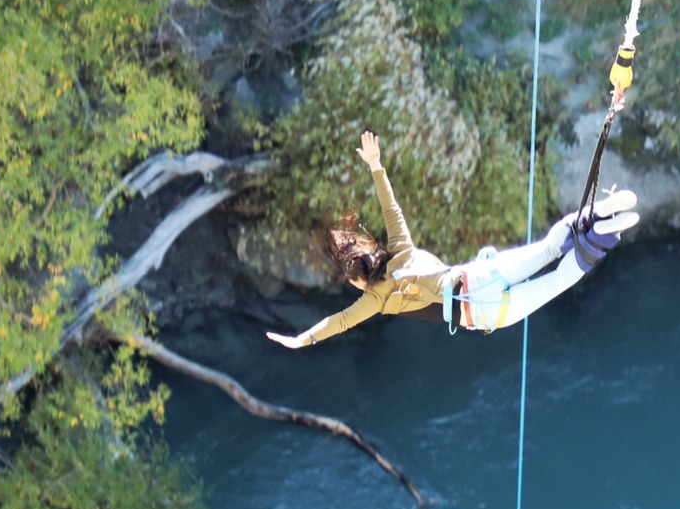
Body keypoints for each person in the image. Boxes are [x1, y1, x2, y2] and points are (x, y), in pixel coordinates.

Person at [265, 129, 637, 348]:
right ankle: (596, 215)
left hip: (485, 313)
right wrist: (376, 166)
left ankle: (604, 237)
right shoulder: (400, 247)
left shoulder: (375, 300)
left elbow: (340, 321)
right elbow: (390, 206)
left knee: (557, 280)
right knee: (549, 247)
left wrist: (302, 340)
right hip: (475, 276)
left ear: (359, 279)